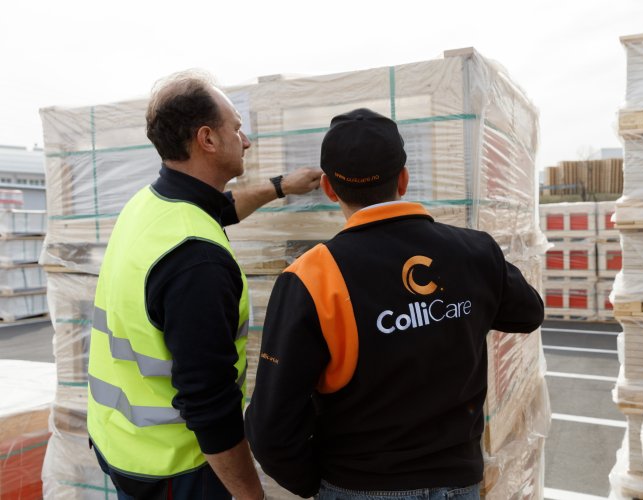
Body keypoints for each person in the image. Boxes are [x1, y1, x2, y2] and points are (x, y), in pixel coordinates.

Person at [245, 108, 544, 499]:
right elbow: (528, 313)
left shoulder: (312, 277)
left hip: (359, 485)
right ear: (403, 179)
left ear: (331, 189)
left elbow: (270, 427)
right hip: (460, 484)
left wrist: (314, 483)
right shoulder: (473, 251)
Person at [86, 70, 321, 500]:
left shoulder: (150, 205)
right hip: (177, 467)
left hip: (121, 444)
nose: (246, 140)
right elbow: (209, 404)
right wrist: (251, 495)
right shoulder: (197, 261)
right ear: (207, 139)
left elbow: (220, 209)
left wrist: (281, 186)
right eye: (236, 127)